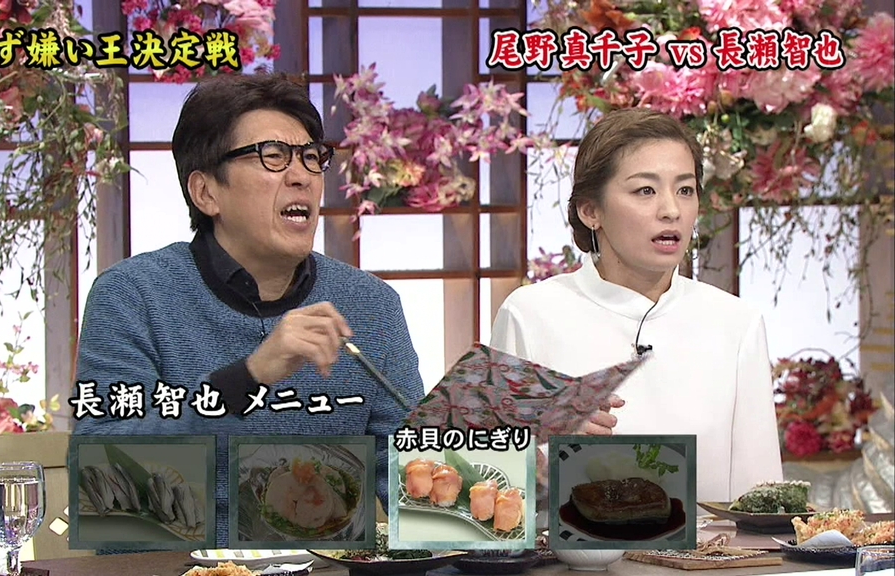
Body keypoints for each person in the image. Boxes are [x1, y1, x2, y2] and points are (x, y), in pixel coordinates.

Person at [73, 72, 425, 546]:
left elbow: (416, 488)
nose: (301, 176)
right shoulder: (132, 296)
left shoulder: (370, 304)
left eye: (311, 157)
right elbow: (105, 481)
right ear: (206, 193)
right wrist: (248, 378)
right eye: (272, 156)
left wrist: (492, 466)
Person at [490, 107, 783, 503]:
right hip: (566, 543)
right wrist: (543, 446)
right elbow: (490, 490)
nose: (671, 210)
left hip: (710, 545)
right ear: (590, 210)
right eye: (645, 190)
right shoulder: (530, 314)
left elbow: (760, 502)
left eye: (685, 190)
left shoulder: (736, 322)